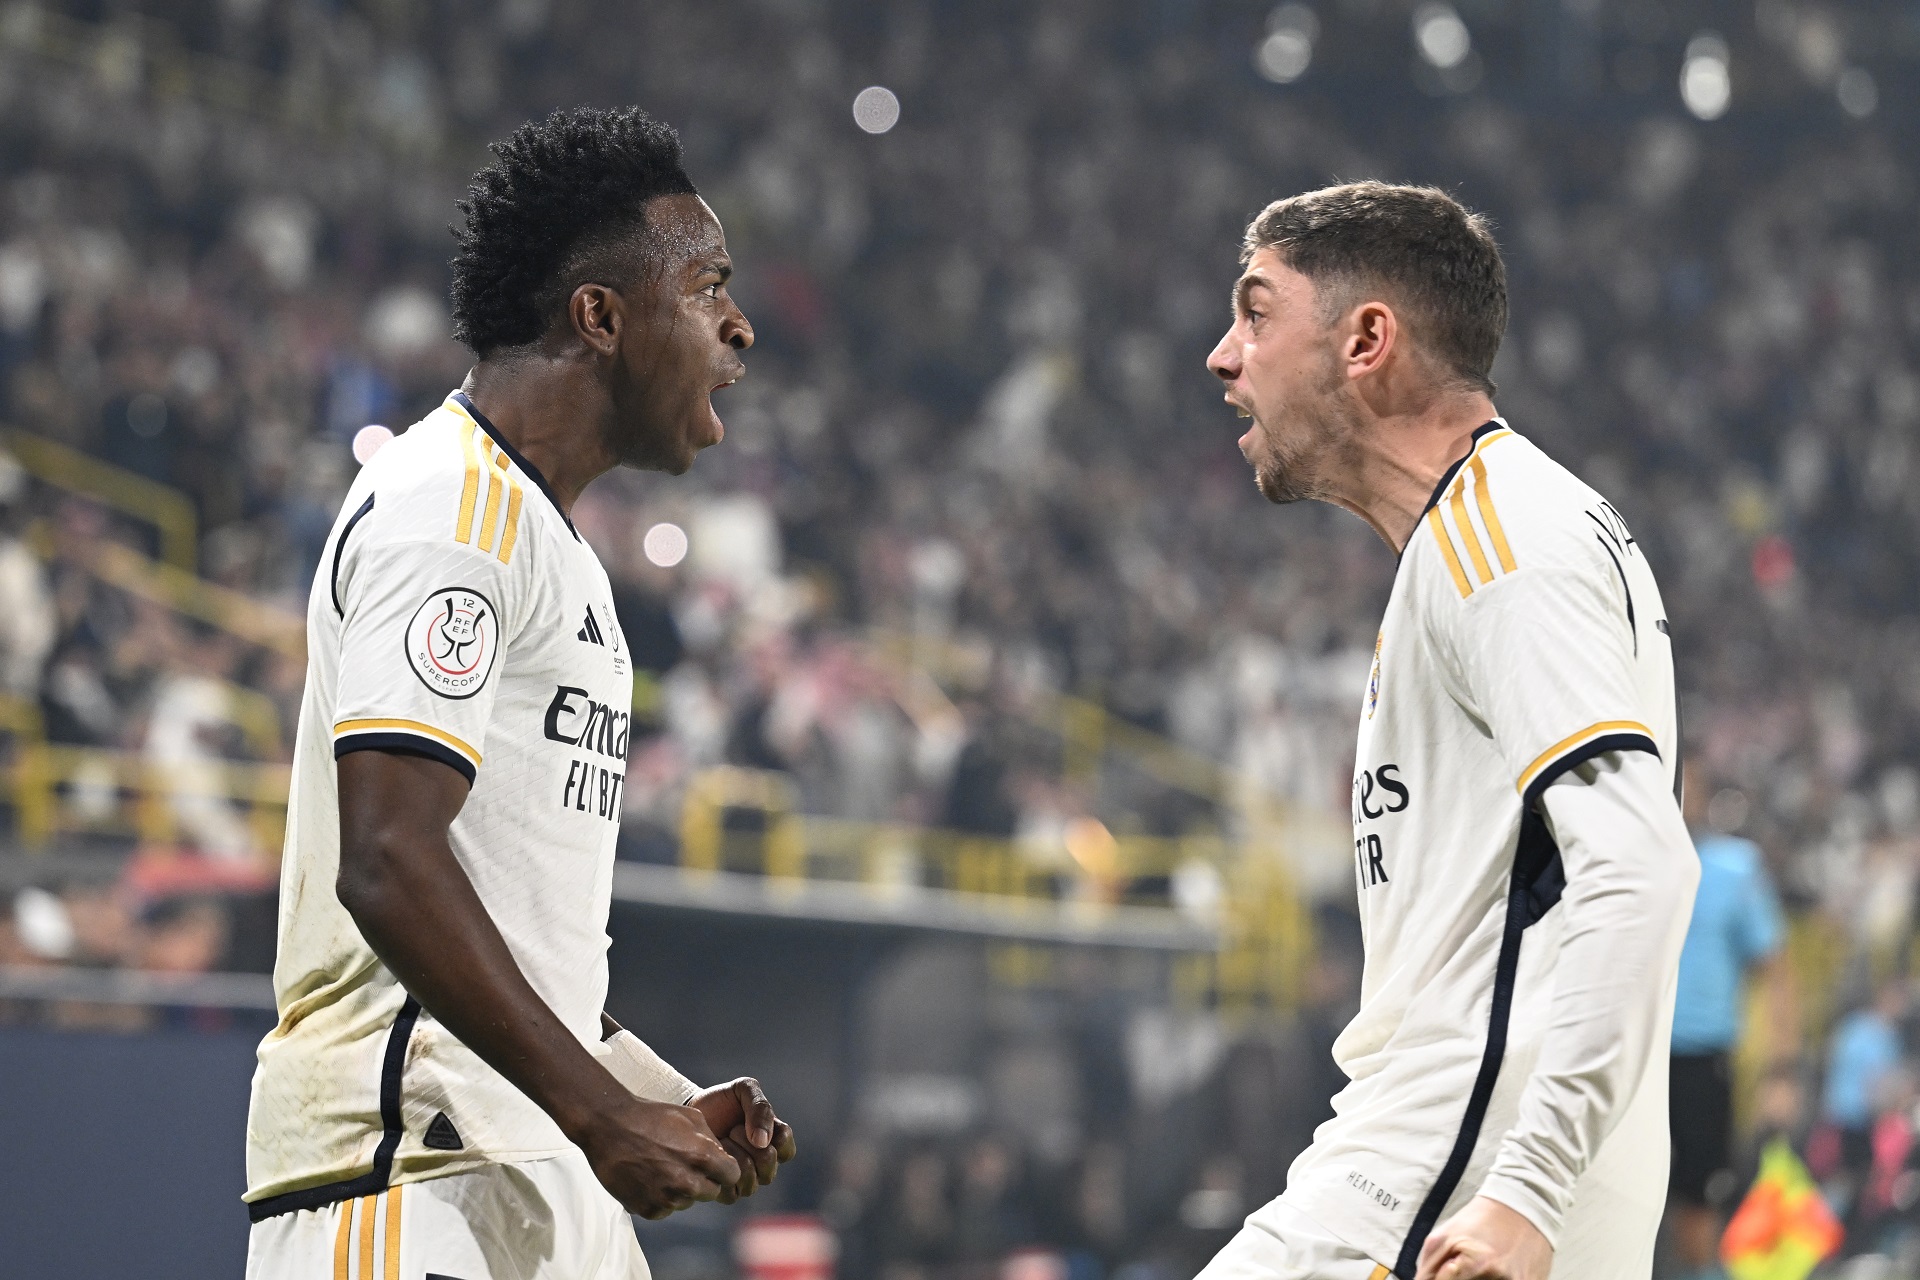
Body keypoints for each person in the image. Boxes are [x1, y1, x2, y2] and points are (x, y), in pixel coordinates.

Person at [243, 107, 795, 1278]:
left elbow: (513, 923)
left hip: (525, 1165)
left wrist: (642, 1093)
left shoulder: (551, 547)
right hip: (410, 1178)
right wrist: (600, 1114)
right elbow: (387, 854)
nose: (739, 324)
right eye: (708, 286)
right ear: (601, 316)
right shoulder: (450, 501)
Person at [1197, 182, 1698, 1280]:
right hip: (1512, 1165)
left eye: (1257, 312)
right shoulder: (1489, 535)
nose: (1223, 356)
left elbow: (1642, 866)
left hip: (1451, 1168)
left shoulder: (1499, 535)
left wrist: (1526, 1189)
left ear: (1366, 340)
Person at [1665, 776, 1785, 1280]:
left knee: (1699, 1194)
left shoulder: (1735, 868)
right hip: (1628, 1053)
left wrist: (1782, 1070)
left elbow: (1775, 969)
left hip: (1701, 1058)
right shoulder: (1624, 858)